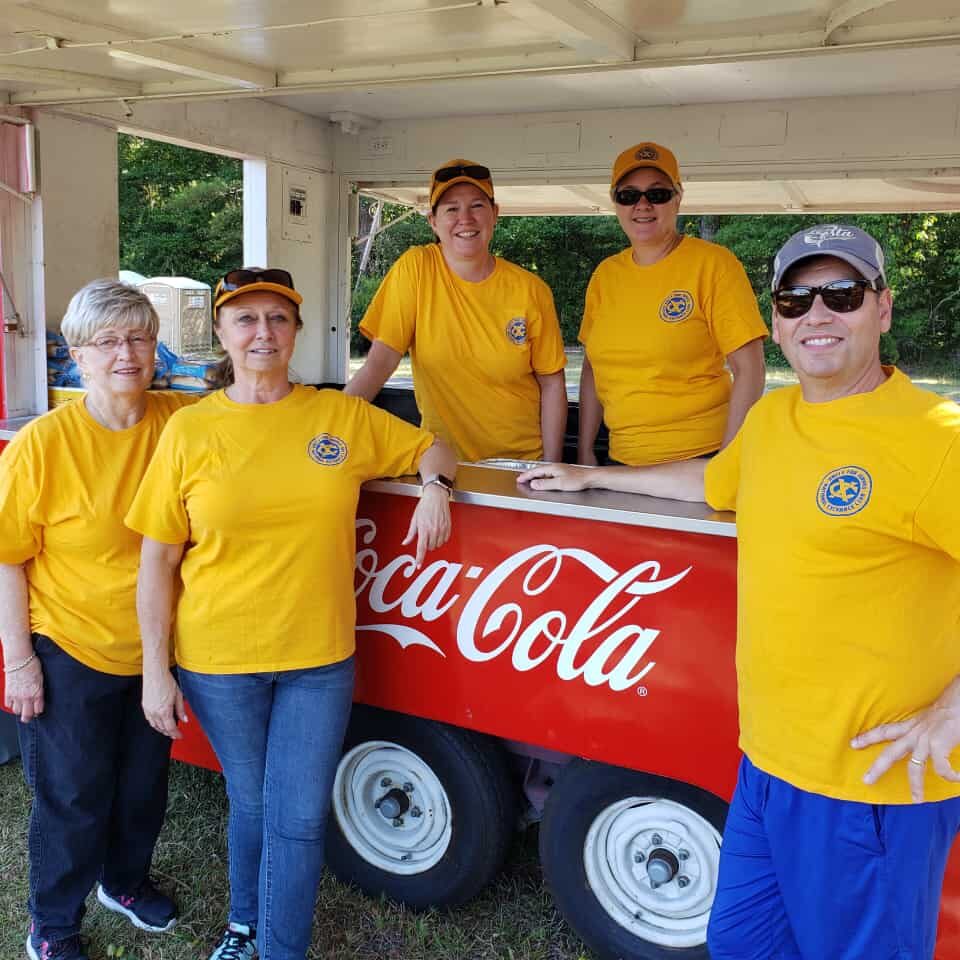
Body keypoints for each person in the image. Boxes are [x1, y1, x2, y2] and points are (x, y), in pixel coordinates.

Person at [519, 225, 960, 959]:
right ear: (778, 321)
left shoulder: (933, 437)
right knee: (741, 943)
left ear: (882, 309)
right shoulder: (773, 419)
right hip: (765, 766)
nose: (817, 314)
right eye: (796, 299)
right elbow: (715, 481)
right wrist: (593, 474)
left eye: (842, 295)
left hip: (867, 790)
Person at [126, 268, 457, 960]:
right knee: (254, 804)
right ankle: (245, 925)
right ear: (221, 331)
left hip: (318, 659)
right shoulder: (189, 430)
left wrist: (436, 485)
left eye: (278, 319)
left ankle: (279, 947)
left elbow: (433, 443)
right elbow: (156, 562)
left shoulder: (337, 417)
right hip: (219, 661)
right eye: (245, 319)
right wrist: (156, 671)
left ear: (297, 331)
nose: (262, 333)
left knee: (299, 817)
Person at [0, 280, 187, 960]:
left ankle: (124, 882)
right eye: (107, 341)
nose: (126, 354)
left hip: (156, 650)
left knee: (143, 787)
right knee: (73, 797)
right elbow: (6, 560)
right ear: (77, 356)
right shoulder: (43, 444)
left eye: (139, 336)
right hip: (69, 645)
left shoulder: (180, 422)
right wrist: (19, 663)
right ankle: (51, 924)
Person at [346, 158, 567, 463]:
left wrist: (551, 468)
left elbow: (552, 384)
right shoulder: (417, 268)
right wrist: (328, 428)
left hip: (520, 466)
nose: (466, 219)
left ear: (495, 214)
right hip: (442, 465)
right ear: (433, 221)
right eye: (451, 208)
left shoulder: (531, 289)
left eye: (477, 206)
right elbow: (379, 364)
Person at [578, 142, 767, 466]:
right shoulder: (605, 275)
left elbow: (750, 371)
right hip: (620, 461)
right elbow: (592, 370)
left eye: (657, 194)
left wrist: (727, 460)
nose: (642, 205)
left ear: (678, 198)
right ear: (615, 203)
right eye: (628, 195)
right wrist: (584, 452)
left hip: (698, 458)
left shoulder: (713, 265)